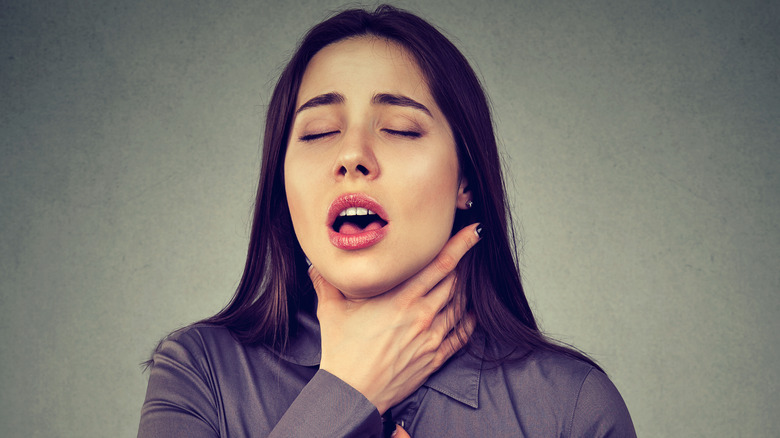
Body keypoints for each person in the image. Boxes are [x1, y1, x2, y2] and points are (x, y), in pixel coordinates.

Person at [138, 5, 636, 437]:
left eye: (399, 129)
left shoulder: (572, 409)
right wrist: (346, 392)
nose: (352, 154)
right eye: (318, 133)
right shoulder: (198, 371)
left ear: (466, 181)